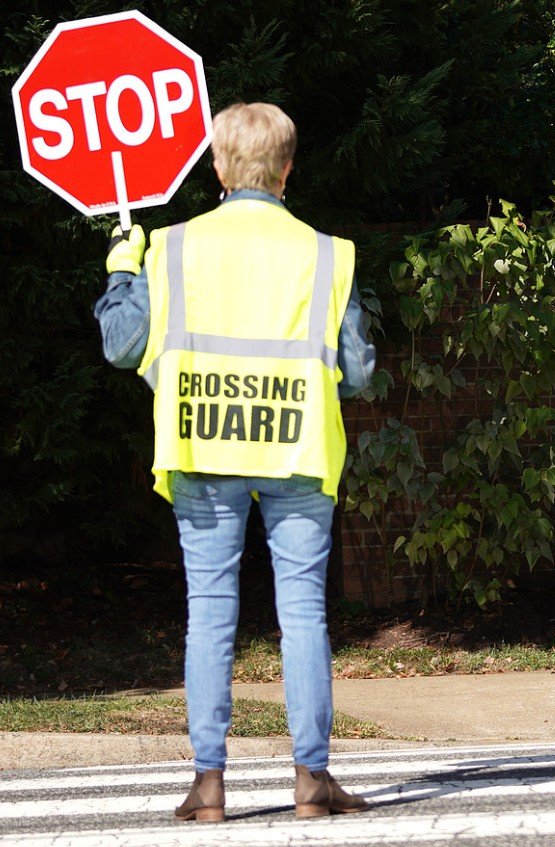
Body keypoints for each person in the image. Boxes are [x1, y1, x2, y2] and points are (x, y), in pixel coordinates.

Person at [94, 102, 375, 821]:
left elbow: (123, 346)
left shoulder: (173, 246)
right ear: (287, 169)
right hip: (298, 445)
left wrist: (123, 267)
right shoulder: (326, 252)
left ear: (217, 168)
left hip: (202, 443)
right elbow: (361, 370)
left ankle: (210, 784)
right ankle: (312, 779)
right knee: (304, 612)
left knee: (211, 612)